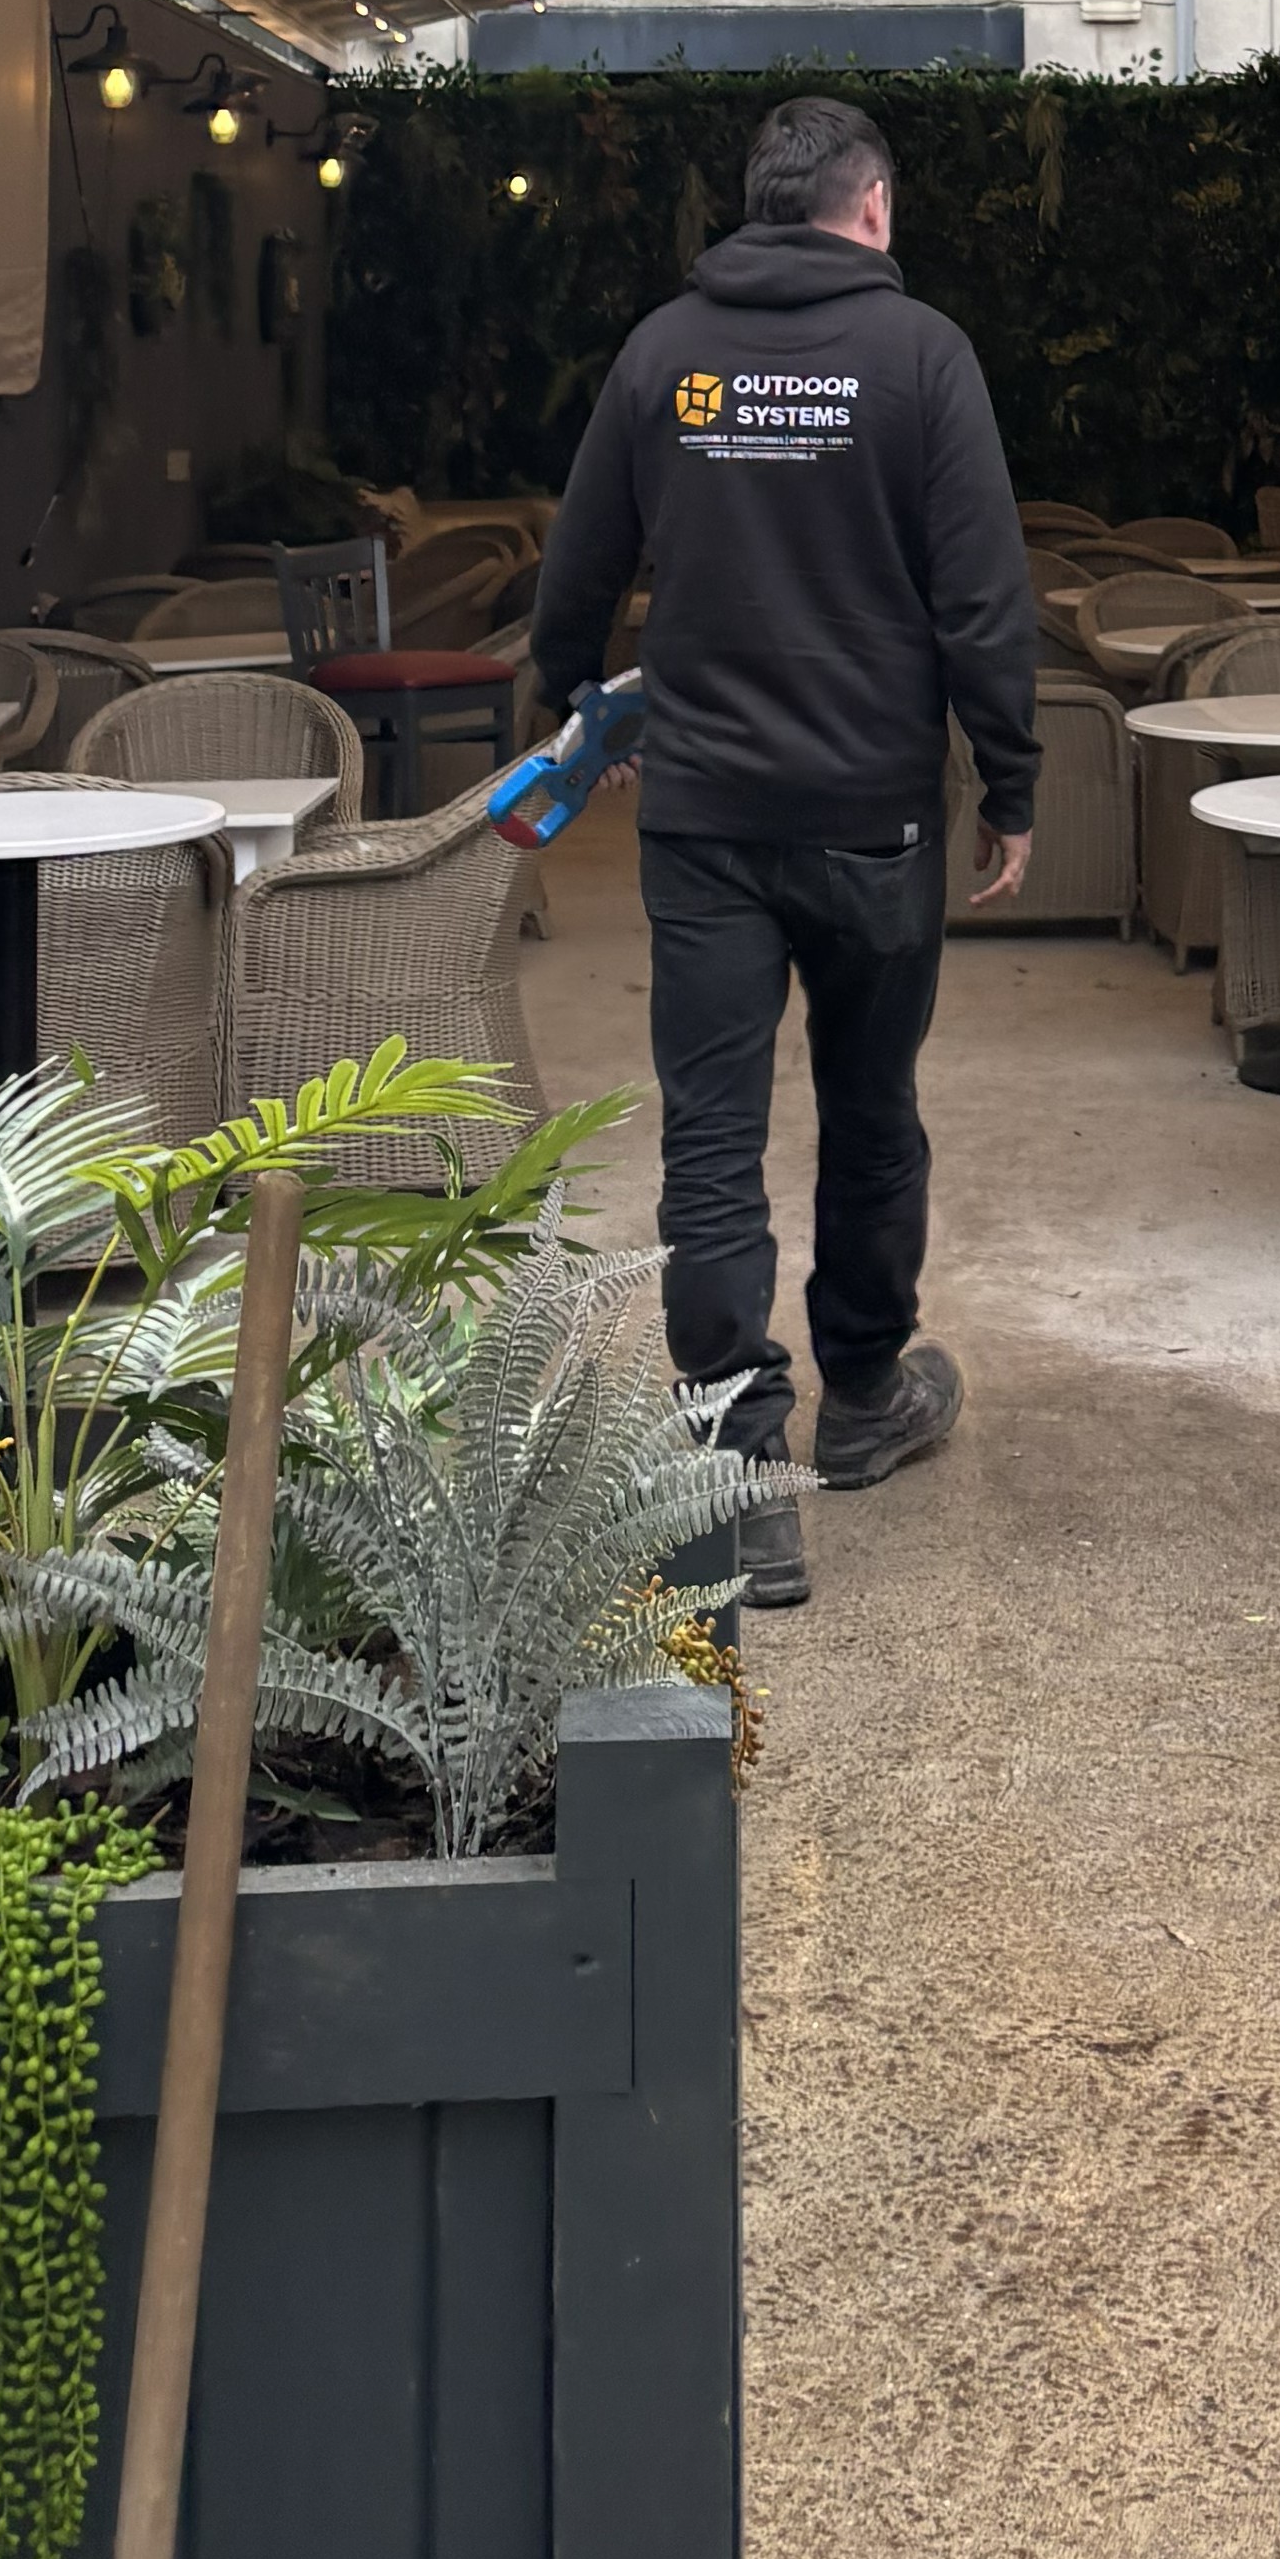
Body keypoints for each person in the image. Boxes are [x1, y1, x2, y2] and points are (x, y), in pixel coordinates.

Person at [525, 91, 1036, 1613]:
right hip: (874, 814)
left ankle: (738, 1480)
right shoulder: (923, 356)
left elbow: (579, 564)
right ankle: (865, 1395)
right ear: (871, 208)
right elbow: (982, 597)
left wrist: (576, 697)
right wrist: (1010, 781)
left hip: (706, 822)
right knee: (872, 1113)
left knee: (710, 1139)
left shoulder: (663, 353)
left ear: (761, 204)